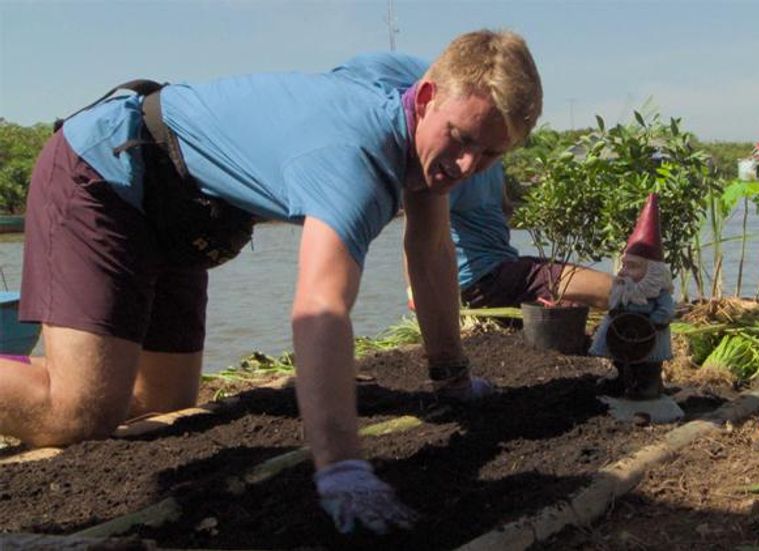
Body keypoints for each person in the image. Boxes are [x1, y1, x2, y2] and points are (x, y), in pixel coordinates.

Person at [0, 29, 542, 535]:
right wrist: (342, 465)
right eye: (461, 138)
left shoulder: (410, 87)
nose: (468, 164)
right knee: (77, 411)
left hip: (188, 212)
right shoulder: (352, 163)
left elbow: (430, 247)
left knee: (164, 401)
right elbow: (320, 306)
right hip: (109, 170)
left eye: (492, 153)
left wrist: (452, 377)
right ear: (426, 99)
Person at [407, 161, 612, 310]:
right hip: (482, 281)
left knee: (578, 296)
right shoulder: (455, 167)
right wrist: (414, 288)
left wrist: (555, 220)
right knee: (612, 290)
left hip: (505, 267)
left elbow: (505, 208)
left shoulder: (494, 162)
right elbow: (418, 231)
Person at [589, 194, 677, 407]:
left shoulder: (657, 292)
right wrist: (615, 311)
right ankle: (623, 379)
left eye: (634, 267)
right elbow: (617, 302)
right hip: (623, 334)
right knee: (621, 358)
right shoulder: (625, 288)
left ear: (653, 270)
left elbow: (666, 309)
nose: (625, 272)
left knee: (648, 364)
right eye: (625, 265)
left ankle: (648, 385)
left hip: (649, 336)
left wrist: (656, 320)